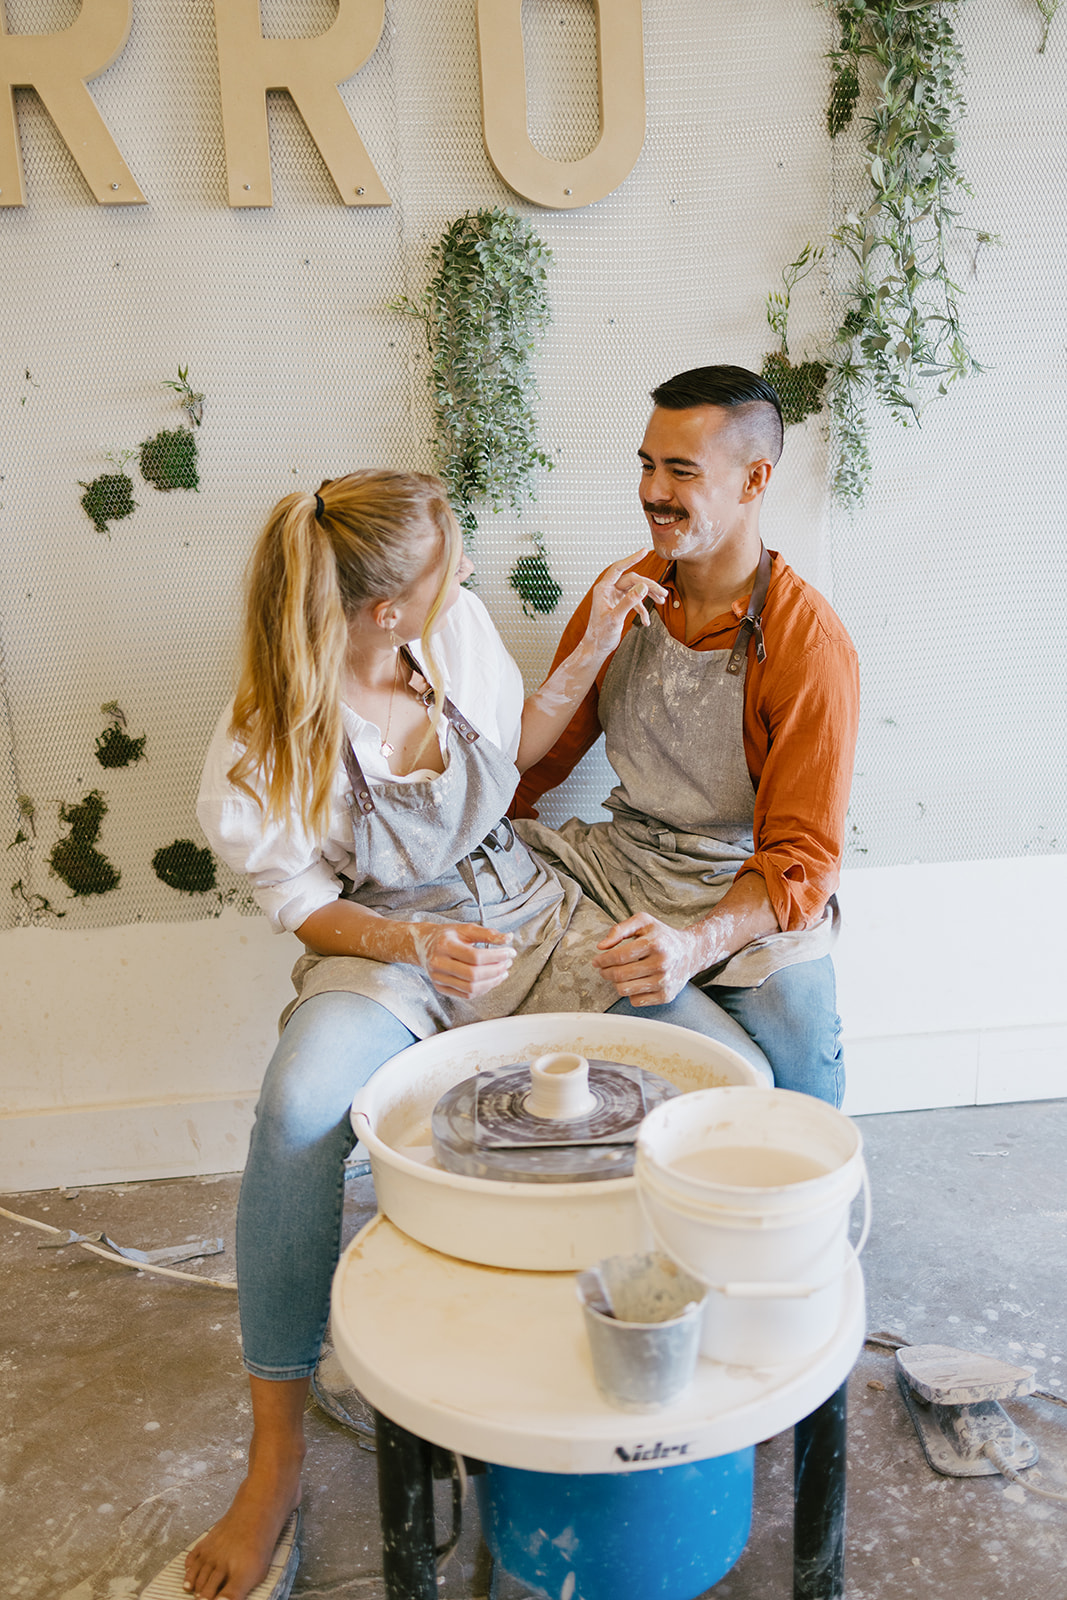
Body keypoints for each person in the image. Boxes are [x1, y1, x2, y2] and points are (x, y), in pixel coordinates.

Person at [176, 468, 767, 1600]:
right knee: (298, 1110)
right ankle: (276, 1457)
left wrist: (587, 647)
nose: (463, 585)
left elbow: (515, 750)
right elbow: (303, 905)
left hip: (517, 902)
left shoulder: (446, 631)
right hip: (382, 941)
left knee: (723, 1074)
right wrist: (409, 951)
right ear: (379, 610)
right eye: (441, 575)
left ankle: (691, 1368)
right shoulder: (259, 743)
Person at [513, 365, 860, 1108]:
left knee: (797, 1037)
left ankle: (803, 1209)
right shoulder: (619, 595)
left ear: (752, 479)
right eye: (646, 465)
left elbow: (800, 858)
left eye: (680, 471)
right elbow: (534, 767)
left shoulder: (808, 646)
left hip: (745, 884)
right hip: (620, 867)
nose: (652, 492)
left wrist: (697, 944)